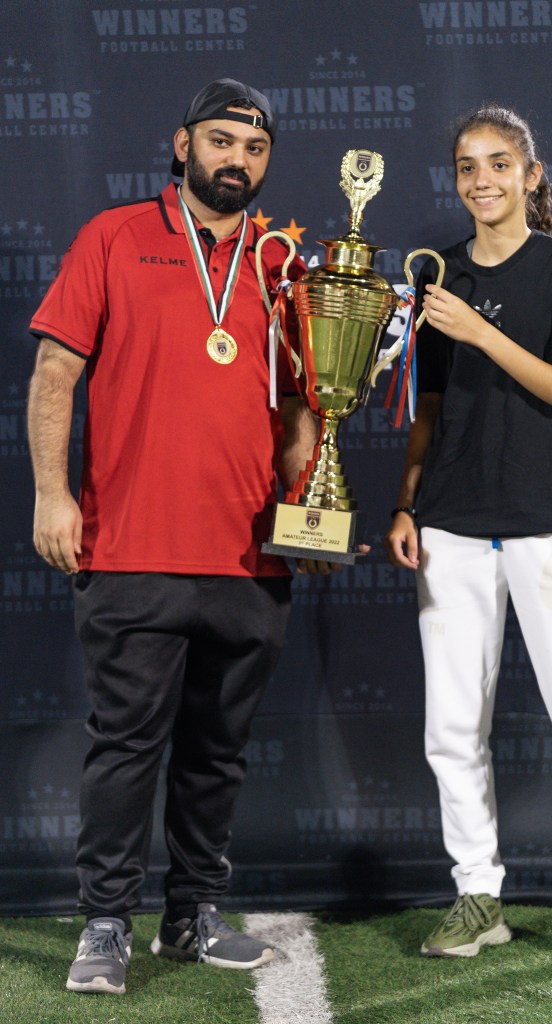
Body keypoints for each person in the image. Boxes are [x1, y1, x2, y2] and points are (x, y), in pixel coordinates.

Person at [27, 78, 321, 995]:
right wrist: (52, 494)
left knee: (216, 752)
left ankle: (192, 913)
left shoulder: (282, 262)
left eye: (255, 148)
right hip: (132, 546)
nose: (238, 159)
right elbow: (55, 370)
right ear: (183, 143)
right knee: (126, 746)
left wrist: (310, 504)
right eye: (222, 141)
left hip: (250, 555)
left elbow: (305, 406)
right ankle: (106, 920)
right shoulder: (113, 237)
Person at [385, 105, 552, 972]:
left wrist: (478, 330)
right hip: (451, 529)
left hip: (550, 526)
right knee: (451, 728)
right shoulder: (437, 276)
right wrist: (406, 503)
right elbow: (428, 408)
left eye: (499, 163)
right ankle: (477, 895)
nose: (482, 180)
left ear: (531, 175)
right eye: (467, 166)